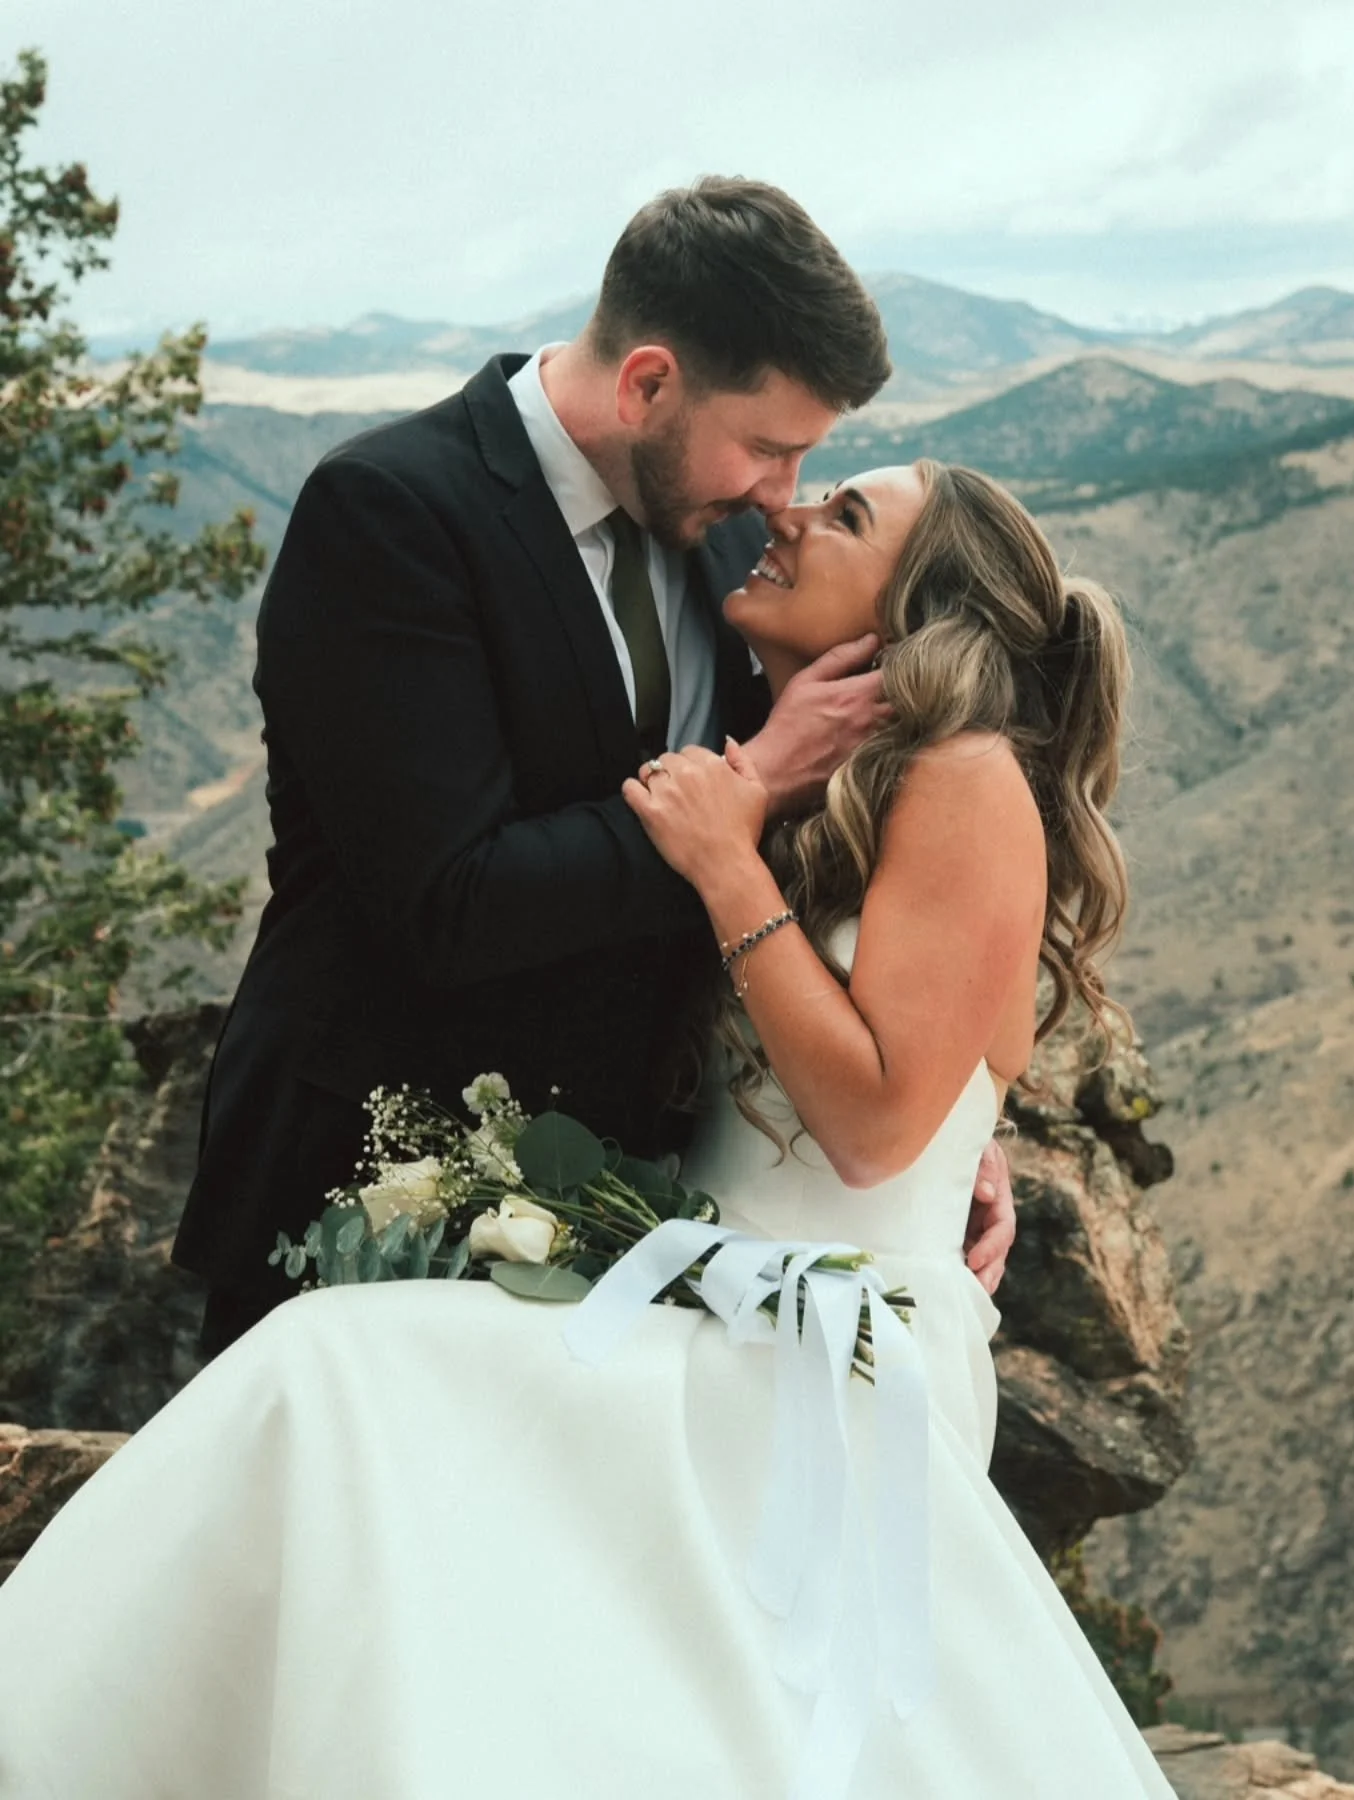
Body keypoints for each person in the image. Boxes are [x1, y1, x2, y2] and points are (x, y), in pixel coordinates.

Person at [0, 458, 1175, 1799]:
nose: (789, 511)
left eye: (848, 514)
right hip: (701, 1306)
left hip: (820, 1359)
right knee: (364, 1433)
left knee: (336, 1373)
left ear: (921, 617)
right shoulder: (838, 765)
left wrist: (727, 864)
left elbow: (868, 1131)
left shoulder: (965, 778)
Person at [173, 175, 1017, 1357]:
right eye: (769, 448)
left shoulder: (729, 545)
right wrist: (752, 781)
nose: (783, 499)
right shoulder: (392, 514)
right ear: (648, 384)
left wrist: (941, 1116)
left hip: (624, 1228)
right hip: (361, 1206)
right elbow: (446, 903)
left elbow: (834, 887)